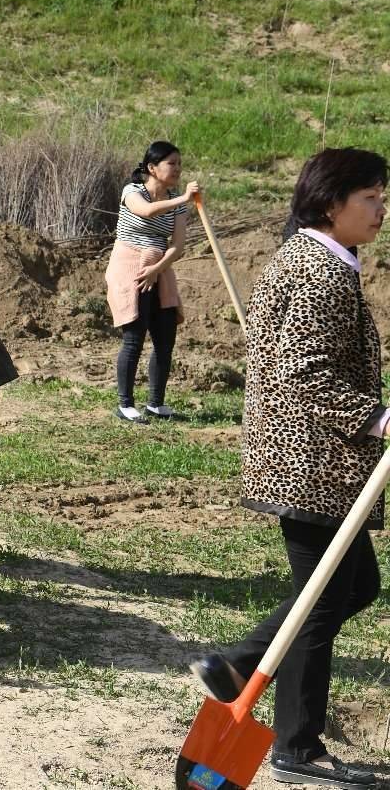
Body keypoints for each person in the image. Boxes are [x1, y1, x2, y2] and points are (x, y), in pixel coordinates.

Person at [191, 148, 387, 790]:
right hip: (311, 464)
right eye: (371, 197)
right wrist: (379, 421)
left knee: (352, 588)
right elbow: (308, 373)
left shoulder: (318, 260)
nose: (381, 208)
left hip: (311, 460)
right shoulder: (317, 271)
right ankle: (294, 739)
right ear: (333, 203)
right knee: (324, 600)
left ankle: (243, 666)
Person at [104, 140, 199, 424]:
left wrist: (157, 268)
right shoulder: (133, 191)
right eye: (171, 163)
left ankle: (156, 403)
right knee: (134, 336)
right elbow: (145, 211)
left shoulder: (178, 207)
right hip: (129, 264)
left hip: (159, 267)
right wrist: (184, 198)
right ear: (152, 168)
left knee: (165, 335)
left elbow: (178, 245)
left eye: (179, 163)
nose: (177, 169)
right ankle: (125, 404)